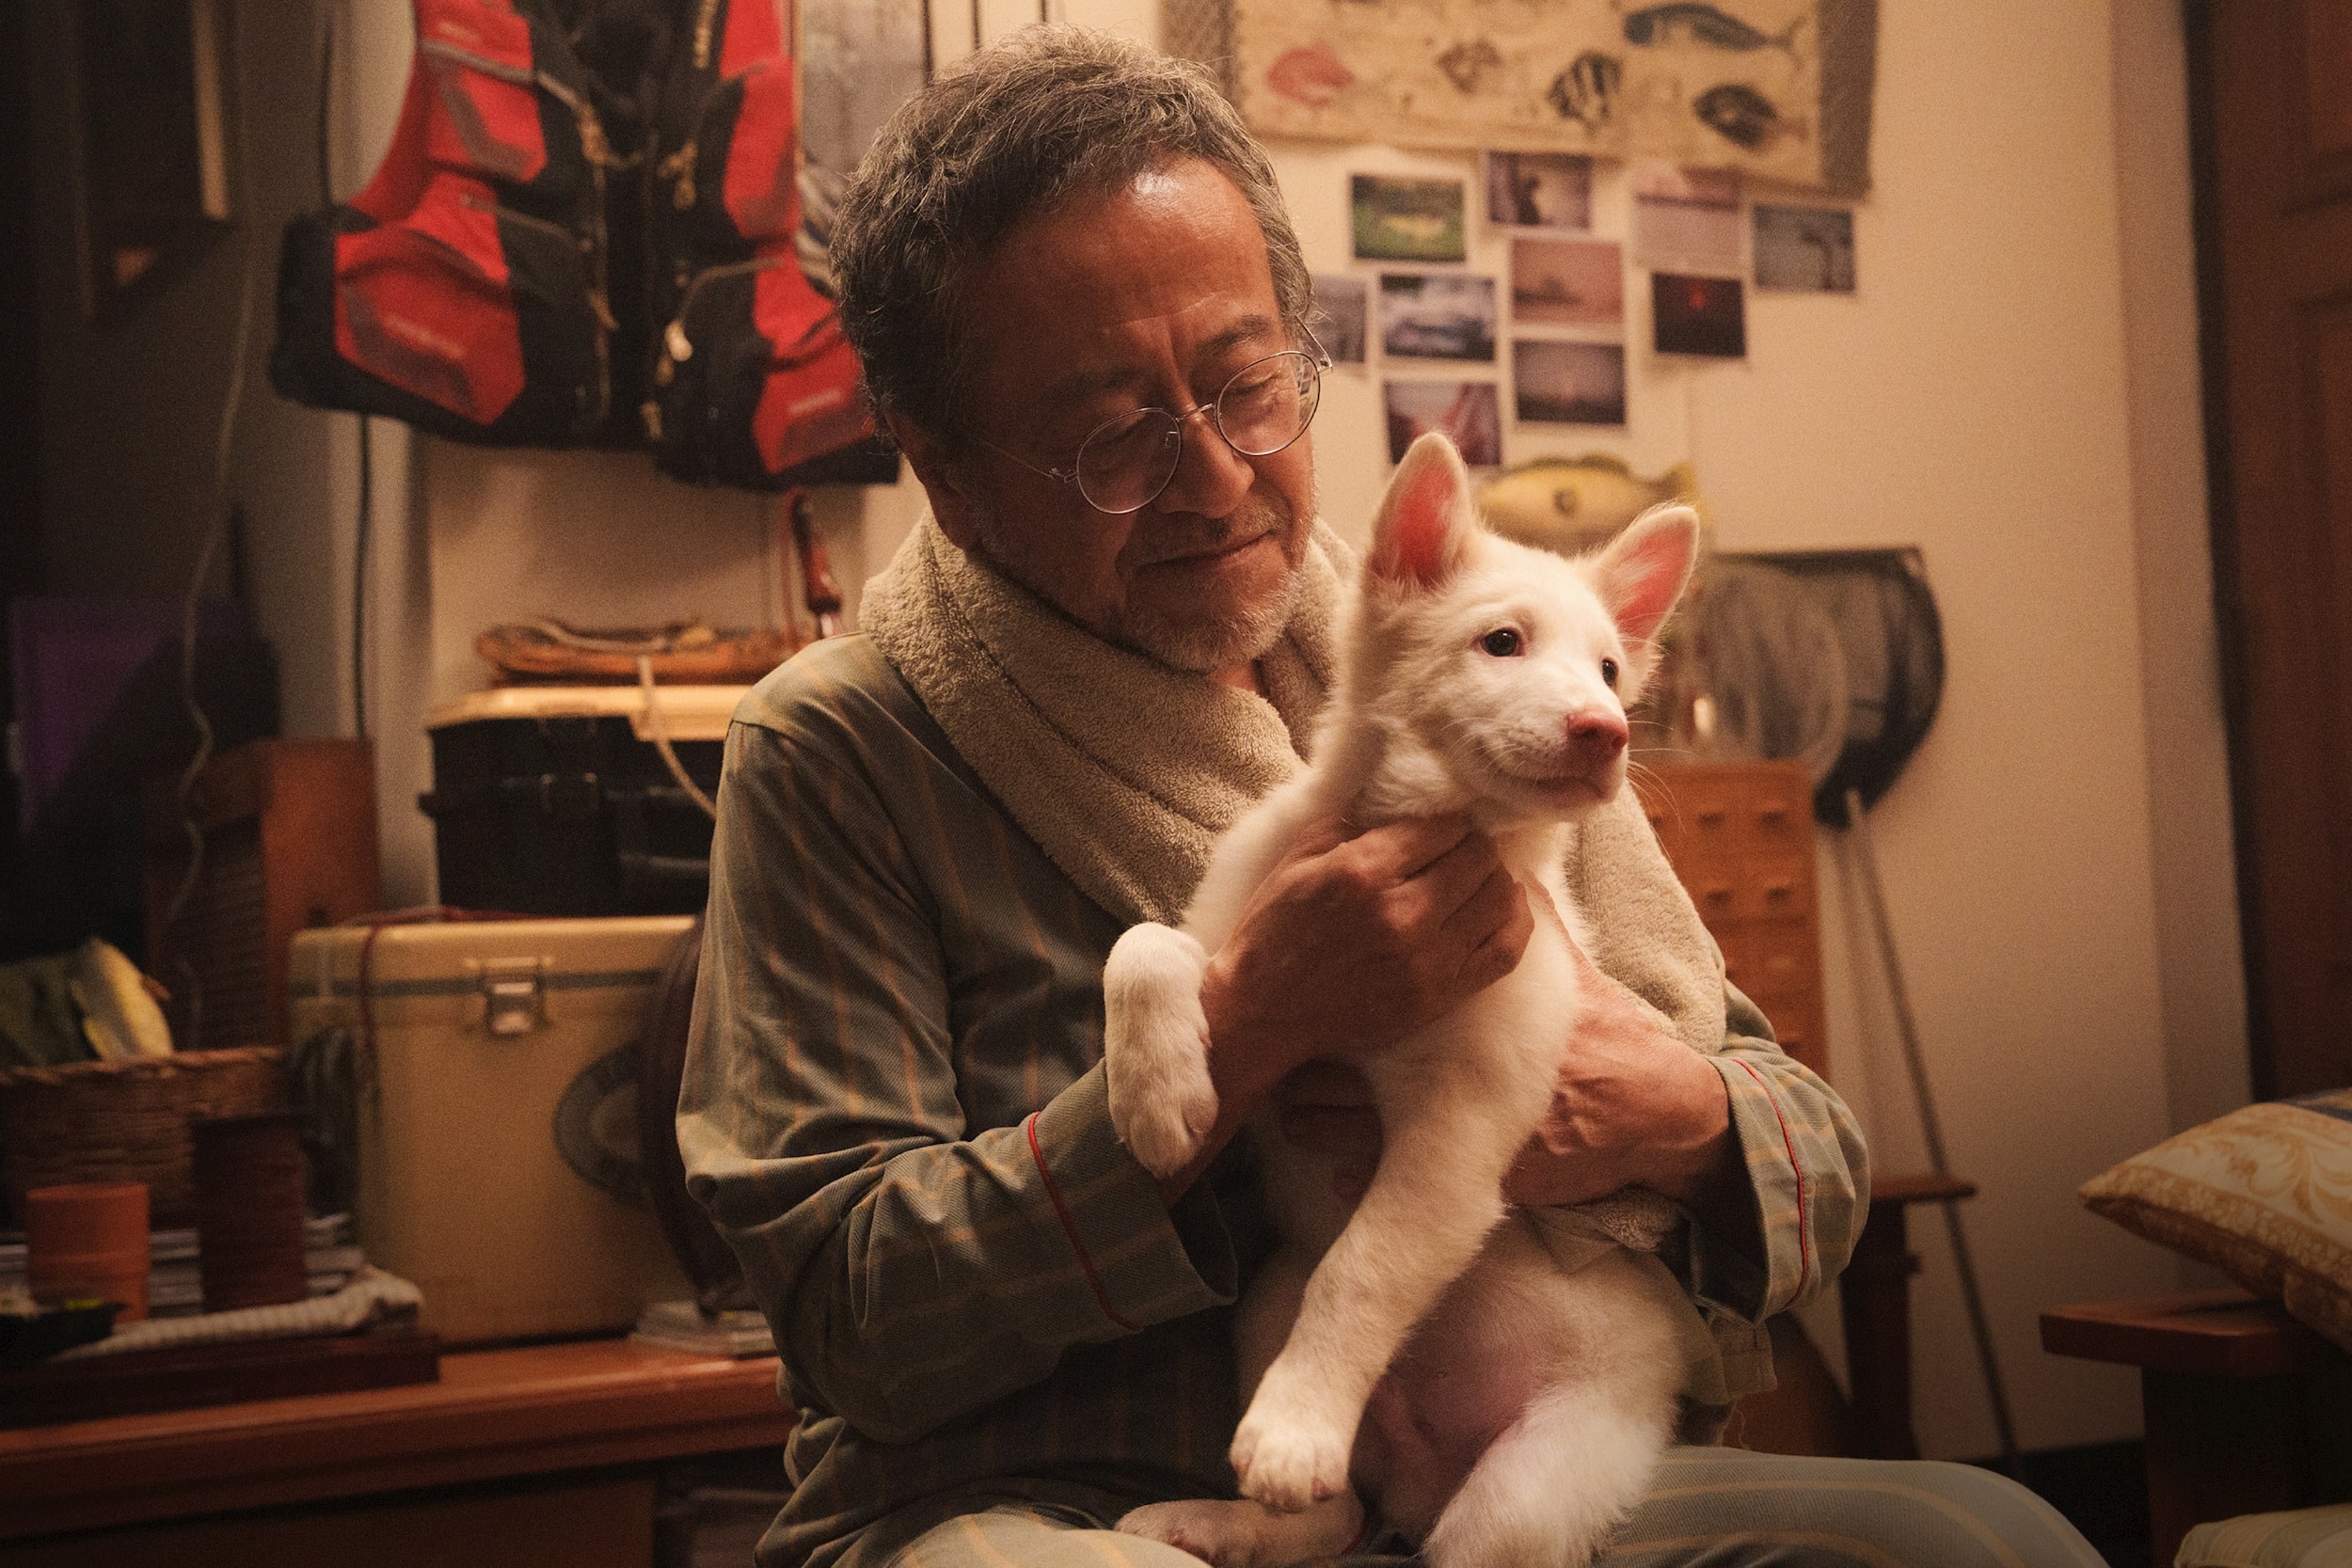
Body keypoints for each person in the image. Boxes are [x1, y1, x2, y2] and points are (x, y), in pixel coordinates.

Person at [679, 25, 2105, 1568]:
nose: (1218, 478)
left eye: (1247, 386)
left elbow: (1810, 1149)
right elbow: (848, 1318)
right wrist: (1251, 1028)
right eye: (1111, 437)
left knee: (1983, 1541)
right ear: (945, 472)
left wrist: (1664, 1111)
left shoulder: (1479, 663)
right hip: (1046, 1499)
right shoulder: (842, 747)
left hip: (1500, 1430)